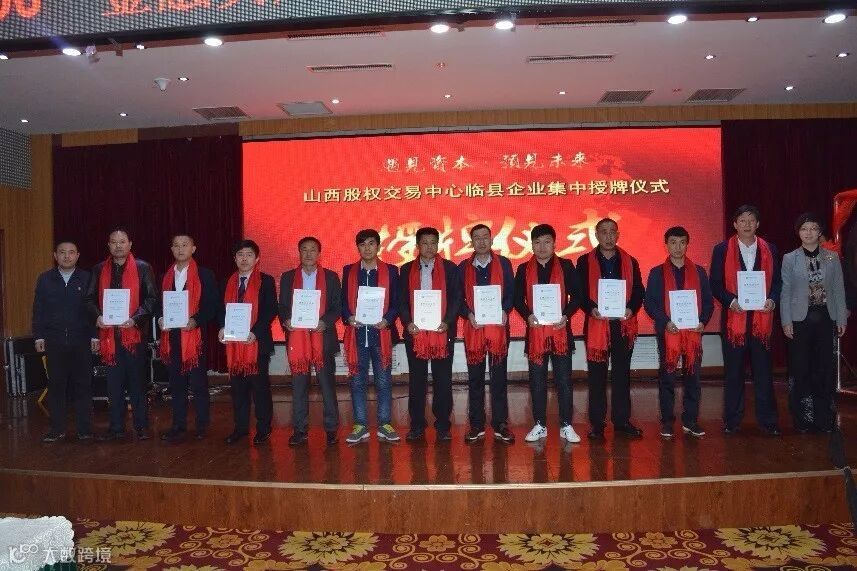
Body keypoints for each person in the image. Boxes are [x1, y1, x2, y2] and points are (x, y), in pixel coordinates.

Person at [710, 204, 782, 435]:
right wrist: (731, 301)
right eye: (742, 220)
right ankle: (732, 421)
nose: (747, 224)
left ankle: (769, 422)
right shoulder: (722, 249)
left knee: (764, 373)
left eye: (751, 220)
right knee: (733, 373)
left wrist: (772, 299)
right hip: (734, 322)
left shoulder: (770, 249)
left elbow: (778, 282)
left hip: (762, 322)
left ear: (758, 224)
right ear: (735, 224)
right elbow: (715, 284)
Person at [84, 228, 158, 441]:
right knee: (113, 385)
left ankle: (141, 426)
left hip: (134, 335)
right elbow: (88, 299)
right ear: (108, 245)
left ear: (130, 244)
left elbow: (152, 299)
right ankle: (116, 427)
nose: (118, 246)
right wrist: (97, 316)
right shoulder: (99, 269)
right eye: (114, 242)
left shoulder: (143, 268)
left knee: (137, 383)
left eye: (122, 241)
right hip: (109, 337)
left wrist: (135, 319)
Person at [513, 223, 583, 443]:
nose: (542, 247)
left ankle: (566, 425)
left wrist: (566, 315)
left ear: (554, 244)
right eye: (537, 242)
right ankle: (539, 424)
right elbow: (517, 299)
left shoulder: (566, 266)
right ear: (532, 245)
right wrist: (527, 315)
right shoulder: (523, 269)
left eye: (546, 242)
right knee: (537, 381)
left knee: (564, 381)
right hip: (536, 333)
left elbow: (578, 296)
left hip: (560, 331)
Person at [577, 218, 645, 440]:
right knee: (596, 376)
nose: (608, 236)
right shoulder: (584, 261)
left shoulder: (630, 261)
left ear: (618, 235)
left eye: (612, 232)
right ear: (596, 235)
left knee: (621, 374)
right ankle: (597, 424)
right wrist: (591, 308)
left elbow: (638, 290)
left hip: (622, 325)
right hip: (596, 324)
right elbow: (579, 292)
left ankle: (622, 420)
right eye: (603, 232)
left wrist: (631, 308)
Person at [644, 226, 714, 439]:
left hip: (693, 333)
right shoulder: (657, 272)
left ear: (687, 244)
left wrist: (702, 321)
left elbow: (708, 302)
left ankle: (690, 420)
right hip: (669, 333)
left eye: (682, 242)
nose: (678, 247)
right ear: (666, 245)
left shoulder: (699, 272)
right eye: (673, 242)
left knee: (693, 377)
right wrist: (665, 322)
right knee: (667, 378)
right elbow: (650, 303)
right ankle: (667, 421)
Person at [781, 213, 848, 433]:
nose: (808, 232)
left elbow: (838, 289)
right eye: (804, 228)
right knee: (801, 369)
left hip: (826, 319)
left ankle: (823, 418)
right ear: (798, 232)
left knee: (823, 368)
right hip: (799, 320)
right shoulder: (790, 258)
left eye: (813, 228)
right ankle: (803, 419)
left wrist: (841, 318)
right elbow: (785, 292)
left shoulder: (832, 258)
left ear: (820, 232)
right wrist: (786, 321)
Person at [399, 227, 461, 442]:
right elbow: (401, 300)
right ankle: (417, 425)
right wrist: (407, 322)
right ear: (417, 246)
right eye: (424, 243)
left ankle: (443, 424)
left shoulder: (450, 268)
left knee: (443, 380)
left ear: (438, 244)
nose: (429, 247)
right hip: (415, 333)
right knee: (417, 380)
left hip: (442, 332)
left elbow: (456, 298)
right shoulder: (406, 269)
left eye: (433, 242)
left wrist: (447, 322)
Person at [279, 236, 342, 446]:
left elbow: (337, 307)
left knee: (327, 386)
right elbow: (282, 306)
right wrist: (286, 320)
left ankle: (331, 429)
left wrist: (325, 322)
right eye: (304, 249)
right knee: (298, 387)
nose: (308, 253)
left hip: (322, 338)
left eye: (312, 249)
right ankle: (299, 430)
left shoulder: (331, 277)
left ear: (319, 253)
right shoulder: (288, 277)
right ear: (299, 253)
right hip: (297, 340)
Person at [157, 234, 220, 441]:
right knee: (176, 384)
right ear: (171, 249)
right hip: (172, 337)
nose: (180, 249)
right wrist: (160, 318)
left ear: (193, 249)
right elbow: (159, 304)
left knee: (198, 383)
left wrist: (195, 320)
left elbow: (211, 305)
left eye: (185, 245)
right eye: (176, 245)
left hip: (195, 337)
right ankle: (178, 425)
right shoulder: (166, 276)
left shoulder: (204, 275)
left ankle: (202, 425)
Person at [341, 229, 400, 444]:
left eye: (371, 243)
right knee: (357, 382)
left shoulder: (391, 271)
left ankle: (385, 424)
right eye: (363, 244)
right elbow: (343, 302)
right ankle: (360, 425)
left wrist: (388, 319)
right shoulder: (349, 271)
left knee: (384, 381)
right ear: (358, 247)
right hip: (357, 335)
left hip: (380, 334)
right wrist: (348, 317)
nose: (367, 248)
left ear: (378, 246)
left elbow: (396, 302)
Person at [33, 240, 95, 442]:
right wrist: (39, 335)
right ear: (55, 255)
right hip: (54, 340)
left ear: (78, 255)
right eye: (62, 252)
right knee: (56, 386)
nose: (66, 256)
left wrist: (95, 335)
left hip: (81, 340)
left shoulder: (87, 278)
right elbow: (39, 309)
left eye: (71, 252)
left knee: (83, 386)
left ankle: (84, 430)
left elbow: (94, 310)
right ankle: (57, 429)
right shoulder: (45, 279)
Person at [459, 224, 516, 444]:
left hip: (498, 329)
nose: (482, 241)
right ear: (471, 242)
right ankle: (476, 424)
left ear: (492, 240)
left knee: (499, 378)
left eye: (485, 237)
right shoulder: (463, 267)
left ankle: (500, 423)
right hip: (474, 329)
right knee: (475, 379)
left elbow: (511, 293)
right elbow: (458, 298)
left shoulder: (504, 263)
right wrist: (467, 313)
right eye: (477, 238)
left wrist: (505, 310)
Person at [219, 239, 278, 445]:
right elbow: (221, 310)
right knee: (238, 389)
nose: (244, 259)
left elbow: (271, 309)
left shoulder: (266, 281)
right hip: (235, 345)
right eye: (240, 255)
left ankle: (263, 428)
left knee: (260, 388)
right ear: (235, 258)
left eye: (249, 255)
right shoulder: (228, 282)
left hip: (257, 343)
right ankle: (241, 428)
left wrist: (255, 332)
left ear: (257, 258)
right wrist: (222, 327)